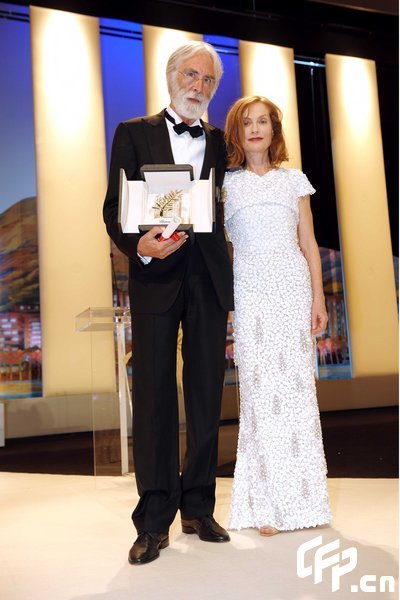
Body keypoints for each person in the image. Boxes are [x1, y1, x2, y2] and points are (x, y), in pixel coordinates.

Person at [103, 41, 234, 565]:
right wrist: (140, 243)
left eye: (208, 80)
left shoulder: (223, 142)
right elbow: (115, 207)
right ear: (171, 77)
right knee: (154, 394)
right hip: (154, 274)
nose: (198, 85)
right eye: (191, 75)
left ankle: (199, 506)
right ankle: (154, 519)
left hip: (208, 277)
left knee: (205, 393)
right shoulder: (133, 133)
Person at [223, 95, 332, 535]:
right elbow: (223, 254)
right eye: (247, 122)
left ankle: (303, 503)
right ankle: (264, 504)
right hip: (250, 294)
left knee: (296, 392)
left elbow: (309, 244)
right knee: (258, 393)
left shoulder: (295, 181)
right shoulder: (226, 186)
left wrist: (319, 299)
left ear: (274, 130)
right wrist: (227, 308)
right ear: (237, 131)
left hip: (292, 289)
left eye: (263, 121)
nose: (255, 128)